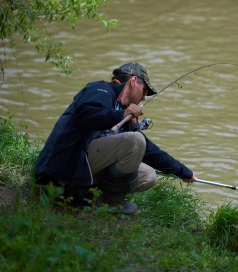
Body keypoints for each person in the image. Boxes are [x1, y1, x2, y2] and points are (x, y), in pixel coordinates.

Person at [35, 63, 197, 214]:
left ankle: (90, 198)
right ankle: (109, 201)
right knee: (135, 141)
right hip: (62, 165)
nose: (143, 98)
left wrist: (183, 172)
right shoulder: (101, 89)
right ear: (133, 81)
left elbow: (148, 149)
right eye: (145, 90)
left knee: (148, 175)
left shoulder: (125, 112)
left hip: (84, 164)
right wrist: (121, 114)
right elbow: (85, 117)